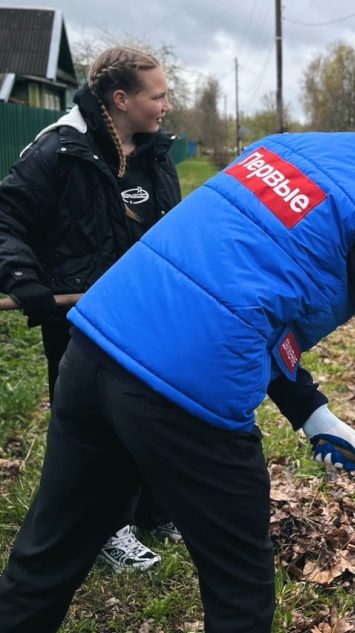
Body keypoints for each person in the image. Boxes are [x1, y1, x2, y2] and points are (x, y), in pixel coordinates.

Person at [0, 88, 355, 632]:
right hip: (184, 396)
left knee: (49, 553)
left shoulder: (289, 149)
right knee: (241, 590)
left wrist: (310, 409)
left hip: (96, 345)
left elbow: (244, 298)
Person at [0, 46, 182, 571]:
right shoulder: (61, 149)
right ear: (121, 99)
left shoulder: (153, 151)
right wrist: (20, 276)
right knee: (95, 426)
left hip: (146, 309)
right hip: (83, 318)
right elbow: (5, 217)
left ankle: (152, 507)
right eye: (159, 95)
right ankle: (105, 527)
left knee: (155, 409)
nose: (166, 105)